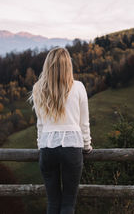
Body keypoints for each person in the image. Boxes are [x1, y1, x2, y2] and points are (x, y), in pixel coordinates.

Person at [28, 47, 93, 214]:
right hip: (72, 147)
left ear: (48, 66)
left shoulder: (38, 89)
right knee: (68, 204)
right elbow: (83, 123)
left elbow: (40, 125)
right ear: (68, 65)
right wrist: (86, 146)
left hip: (47, 148)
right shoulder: (78, 87)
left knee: (53, 202)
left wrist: (40, 146)